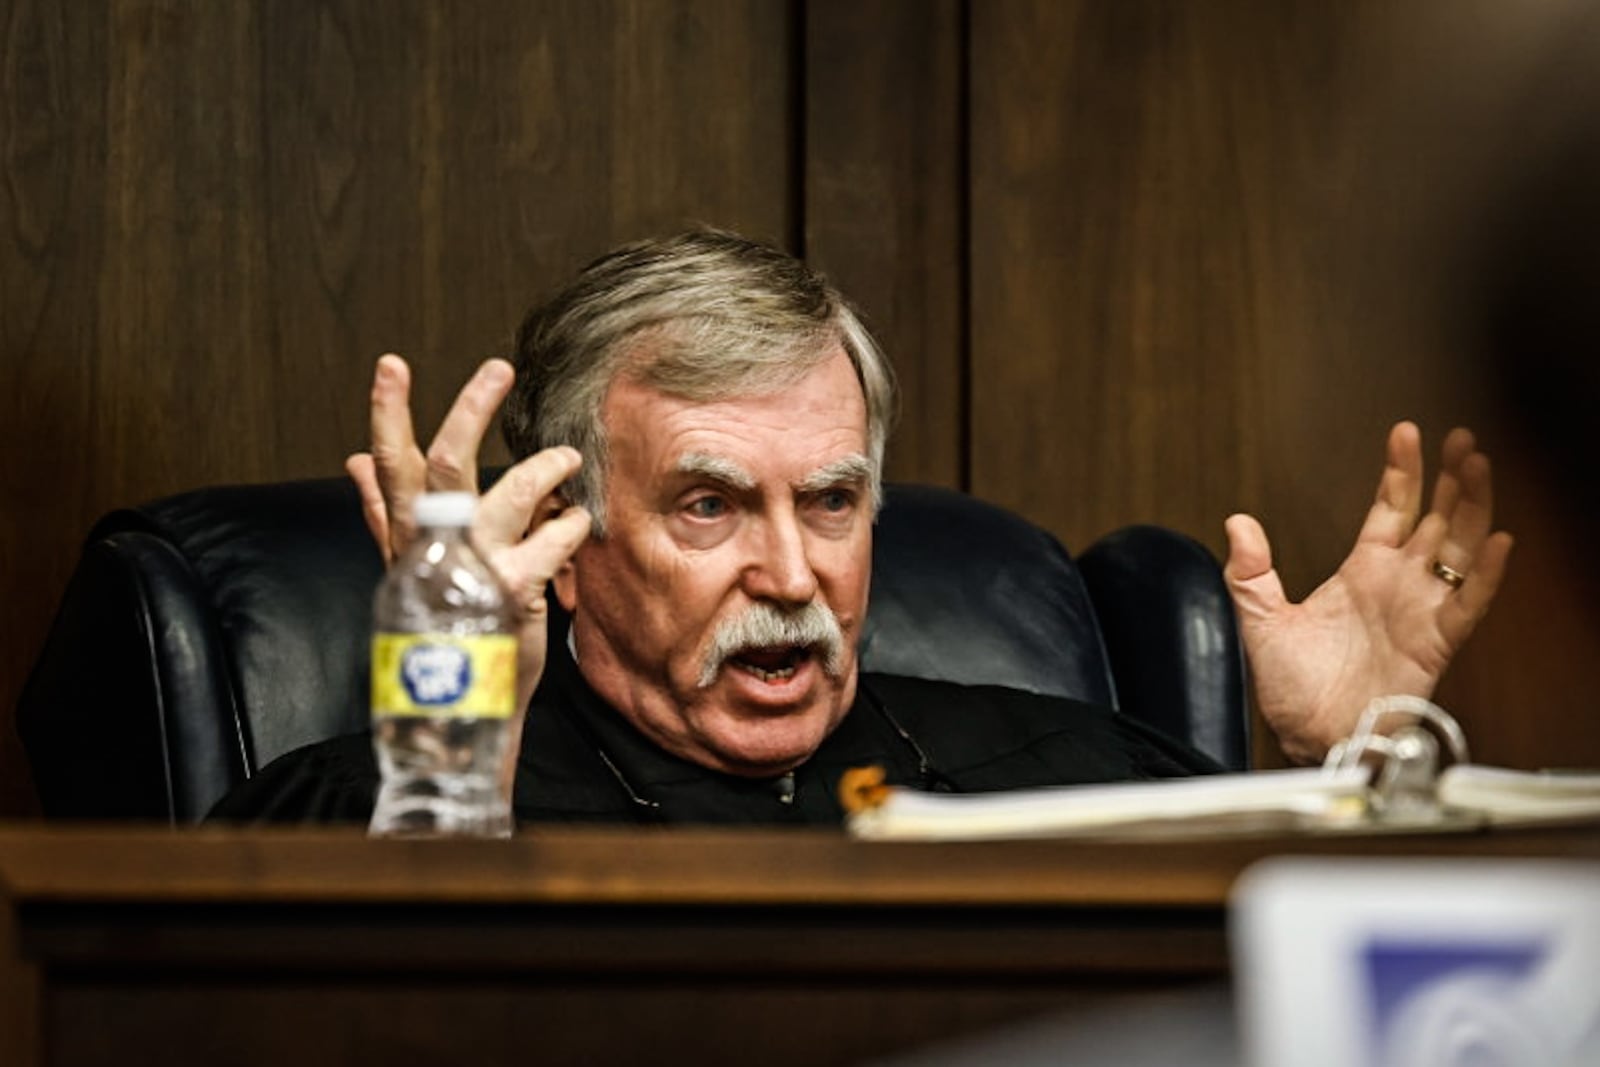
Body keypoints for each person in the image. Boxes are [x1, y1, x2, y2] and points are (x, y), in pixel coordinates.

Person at [211, 228, 1512, 825]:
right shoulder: (363, 799)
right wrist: (453, 727)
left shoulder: (1086, 779)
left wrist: (1359, 768)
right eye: (709, 505)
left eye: (830, 499)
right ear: (567, 535)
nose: (791, 573)